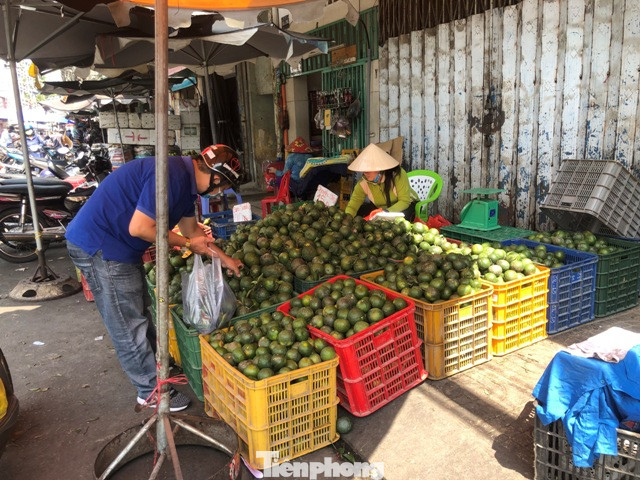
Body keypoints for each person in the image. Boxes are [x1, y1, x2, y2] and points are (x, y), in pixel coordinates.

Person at [66, 145, 245, 412]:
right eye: (223, 187)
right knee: (127, 323)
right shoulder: (171, 175)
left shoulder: (185, 183)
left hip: (121, 248)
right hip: (102, 246)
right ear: (216, 177)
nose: (221, 192)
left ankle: (156, 369)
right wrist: (186, 244)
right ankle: (151, 392)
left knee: (139, 313)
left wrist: (224, 259)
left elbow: (192, 231)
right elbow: (140, 228)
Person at [344, 143, 418, 220]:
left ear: (380, 168)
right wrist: (347, 217)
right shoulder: (363, 183)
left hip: (406, 206)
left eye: (368, 169)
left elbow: (404, 201)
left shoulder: (397, 175)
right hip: (383, 211)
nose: (365, 173)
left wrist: (386, 213)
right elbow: (354, 204)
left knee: (399, 221)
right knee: (361, 212)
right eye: (364, 170)